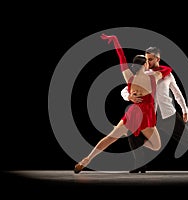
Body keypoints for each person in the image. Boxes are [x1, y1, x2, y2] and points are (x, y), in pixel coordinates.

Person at [74, 34, 172, 173]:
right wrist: (155, 63)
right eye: (147, 62)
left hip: (133, 114)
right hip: (145, 116)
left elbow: (121, 57)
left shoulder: (129, 76)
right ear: (145, 64)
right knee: (156, 146)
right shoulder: (153, 77)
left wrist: (115, 40)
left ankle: (86, 160)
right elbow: (167, 69)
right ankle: (131, 133)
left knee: (109, 138)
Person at [122, 46, 188, 173]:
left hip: (168, 116)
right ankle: (139, 166)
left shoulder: (167, 75)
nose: (147, 63)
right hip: (149, 116)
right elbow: (125, 89)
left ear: (157, 58)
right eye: (146, 60)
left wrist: (185, 110)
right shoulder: (143, 75)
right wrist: (129, 96)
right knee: (132, 134)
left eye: (150, 59)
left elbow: (177, 93)